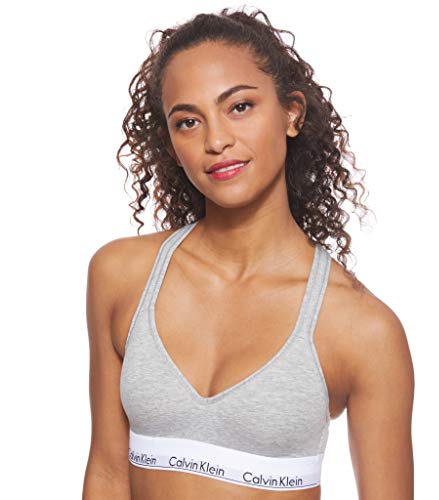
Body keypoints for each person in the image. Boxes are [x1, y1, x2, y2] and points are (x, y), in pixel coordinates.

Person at [82, 7, 414, 500]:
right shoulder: (121, 276)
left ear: (292, 113)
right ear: (171, 145)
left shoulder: (361, 328)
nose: (216, 140)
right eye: (188, 122)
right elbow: (109, 473)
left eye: (239, 107)